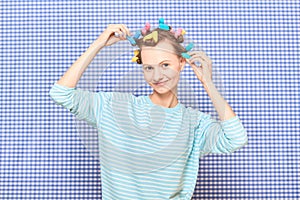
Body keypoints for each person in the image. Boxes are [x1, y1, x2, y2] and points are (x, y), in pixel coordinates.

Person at [49, 19, 248, 200]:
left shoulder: (195, 123)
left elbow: (236, 138)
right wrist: (98, 44)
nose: (157, 76)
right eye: (149, 68)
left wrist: (208, 84)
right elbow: (61, 93)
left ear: (181, 63)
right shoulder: (114, 107)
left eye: (165, 65)